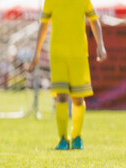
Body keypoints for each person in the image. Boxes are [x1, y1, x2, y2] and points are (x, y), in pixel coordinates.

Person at [28, 0, 106, 150]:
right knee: (61, 96)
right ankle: (63, 139)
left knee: (78, 98)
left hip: (78, 55)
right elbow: (43, 25)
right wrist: (36, 53)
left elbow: (94, 20)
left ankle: (77, 137)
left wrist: (100, 45)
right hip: (58, 56)